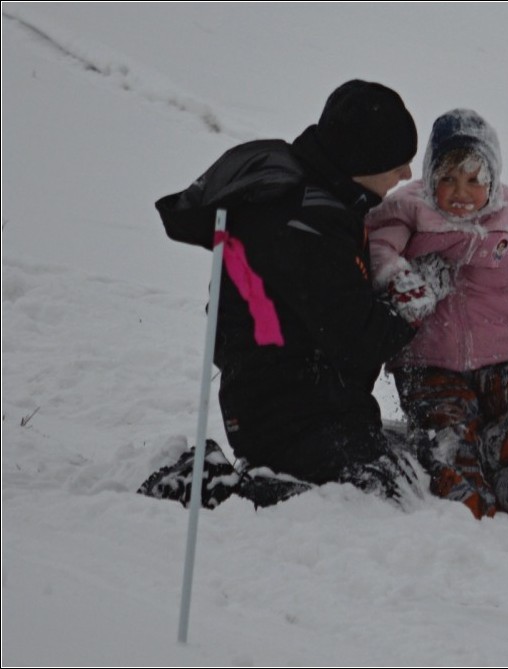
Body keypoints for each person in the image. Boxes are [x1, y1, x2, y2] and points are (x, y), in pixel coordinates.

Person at [139, 80, 423, 509]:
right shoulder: (305, 222)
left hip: (294, 399)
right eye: (398, 162)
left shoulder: (318, 198)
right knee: (374, 498)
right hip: (285, 416)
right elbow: (357, 338)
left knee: (399, 477)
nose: (406, 175)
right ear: (364, 157)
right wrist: (411, 309)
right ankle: (216, 486)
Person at [365, 109, 508, 519]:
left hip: (503, 358)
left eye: (474, 180)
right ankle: (468, 506)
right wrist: (398, 279)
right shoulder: (409, 208)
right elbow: (378, 247)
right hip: (430, 363)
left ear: (493, 178)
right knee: (449, 439)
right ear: (429, 177)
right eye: (448, 179)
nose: (461, 192)